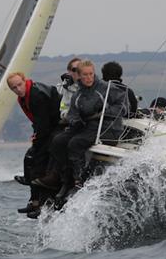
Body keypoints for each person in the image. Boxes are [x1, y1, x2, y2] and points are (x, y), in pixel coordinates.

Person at [37, 59, 128, 202]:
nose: (89, 78)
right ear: (79, 76)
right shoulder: (78, 93)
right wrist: (75, 120)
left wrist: (105, 111)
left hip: (107, 126)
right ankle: (66, 179)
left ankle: (79, 179)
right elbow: (73, 112)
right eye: (85, 75)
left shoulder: (106, 88)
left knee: (75, 143)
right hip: (87, 125)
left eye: (91, 74)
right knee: (57, 141)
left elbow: (123, 106)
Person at [6, 72, 61, 219]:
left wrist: (37, 139)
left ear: (25, 81)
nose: (18, 89)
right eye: (14, 88)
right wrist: (37, 136)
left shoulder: (36, 95)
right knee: (30, 158)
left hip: (56, 128)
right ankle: (33, 199)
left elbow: (44, 123)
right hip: (47, 129)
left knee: (36, 160)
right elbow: (39, 122)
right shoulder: (24, 97)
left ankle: (39, 202)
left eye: (19, 84)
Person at [56, 57, 82, 126]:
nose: (78, 72)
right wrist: (66, 114)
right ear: (69, 72)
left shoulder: (92, 86)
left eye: (80, 68)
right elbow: (63, 106)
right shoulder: (63, 89)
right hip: (70, 123)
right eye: (75, 69)